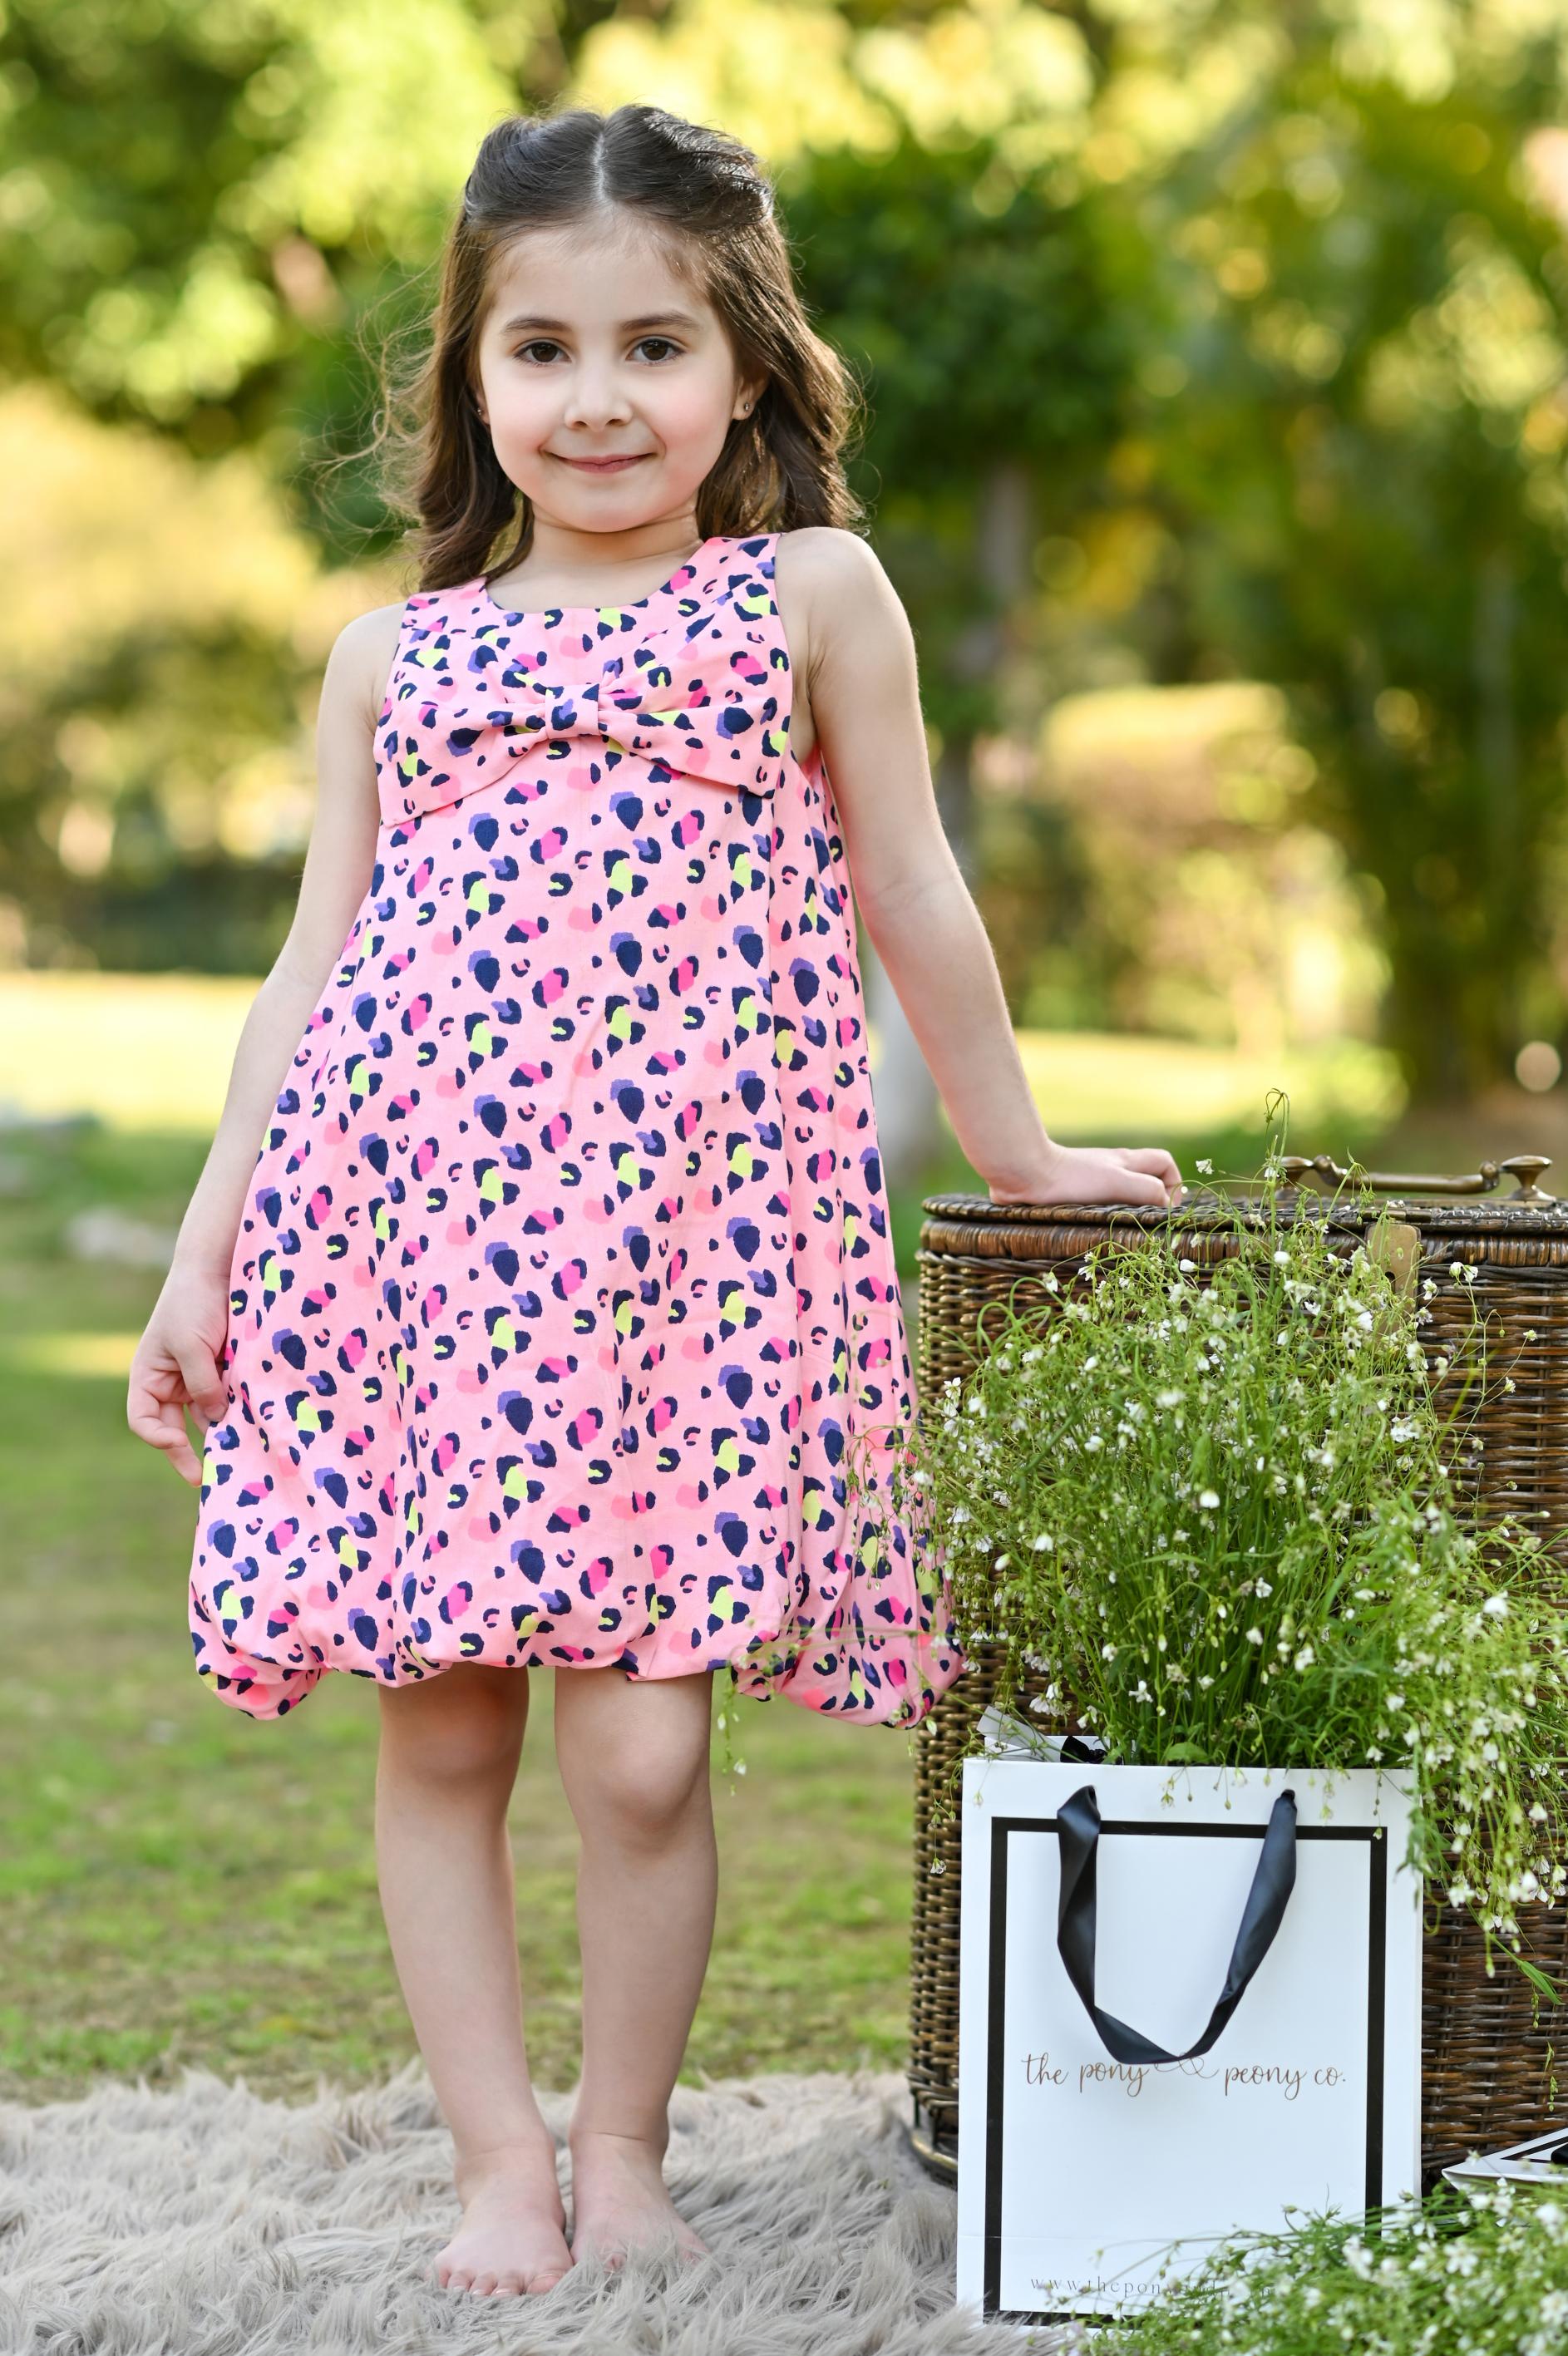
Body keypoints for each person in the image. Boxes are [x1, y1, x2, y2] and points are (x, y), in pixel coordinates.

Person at [126, 102, 1183, 2300]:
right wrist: (206, 1242)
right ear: (470, 379)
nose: (595, 398)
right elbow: (304, 976)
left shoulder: (807, 599)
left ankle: (626, 2142)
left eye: (651, 346)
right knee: (440, 1723)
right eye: (539, 351)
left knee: (635, 1741)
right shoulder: (392, 658)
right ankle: (499, 2156)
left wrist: (1019, 1152)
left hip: (679, 1280)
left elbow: (916, 892)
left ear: (745, 368)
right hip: (407, 1260)